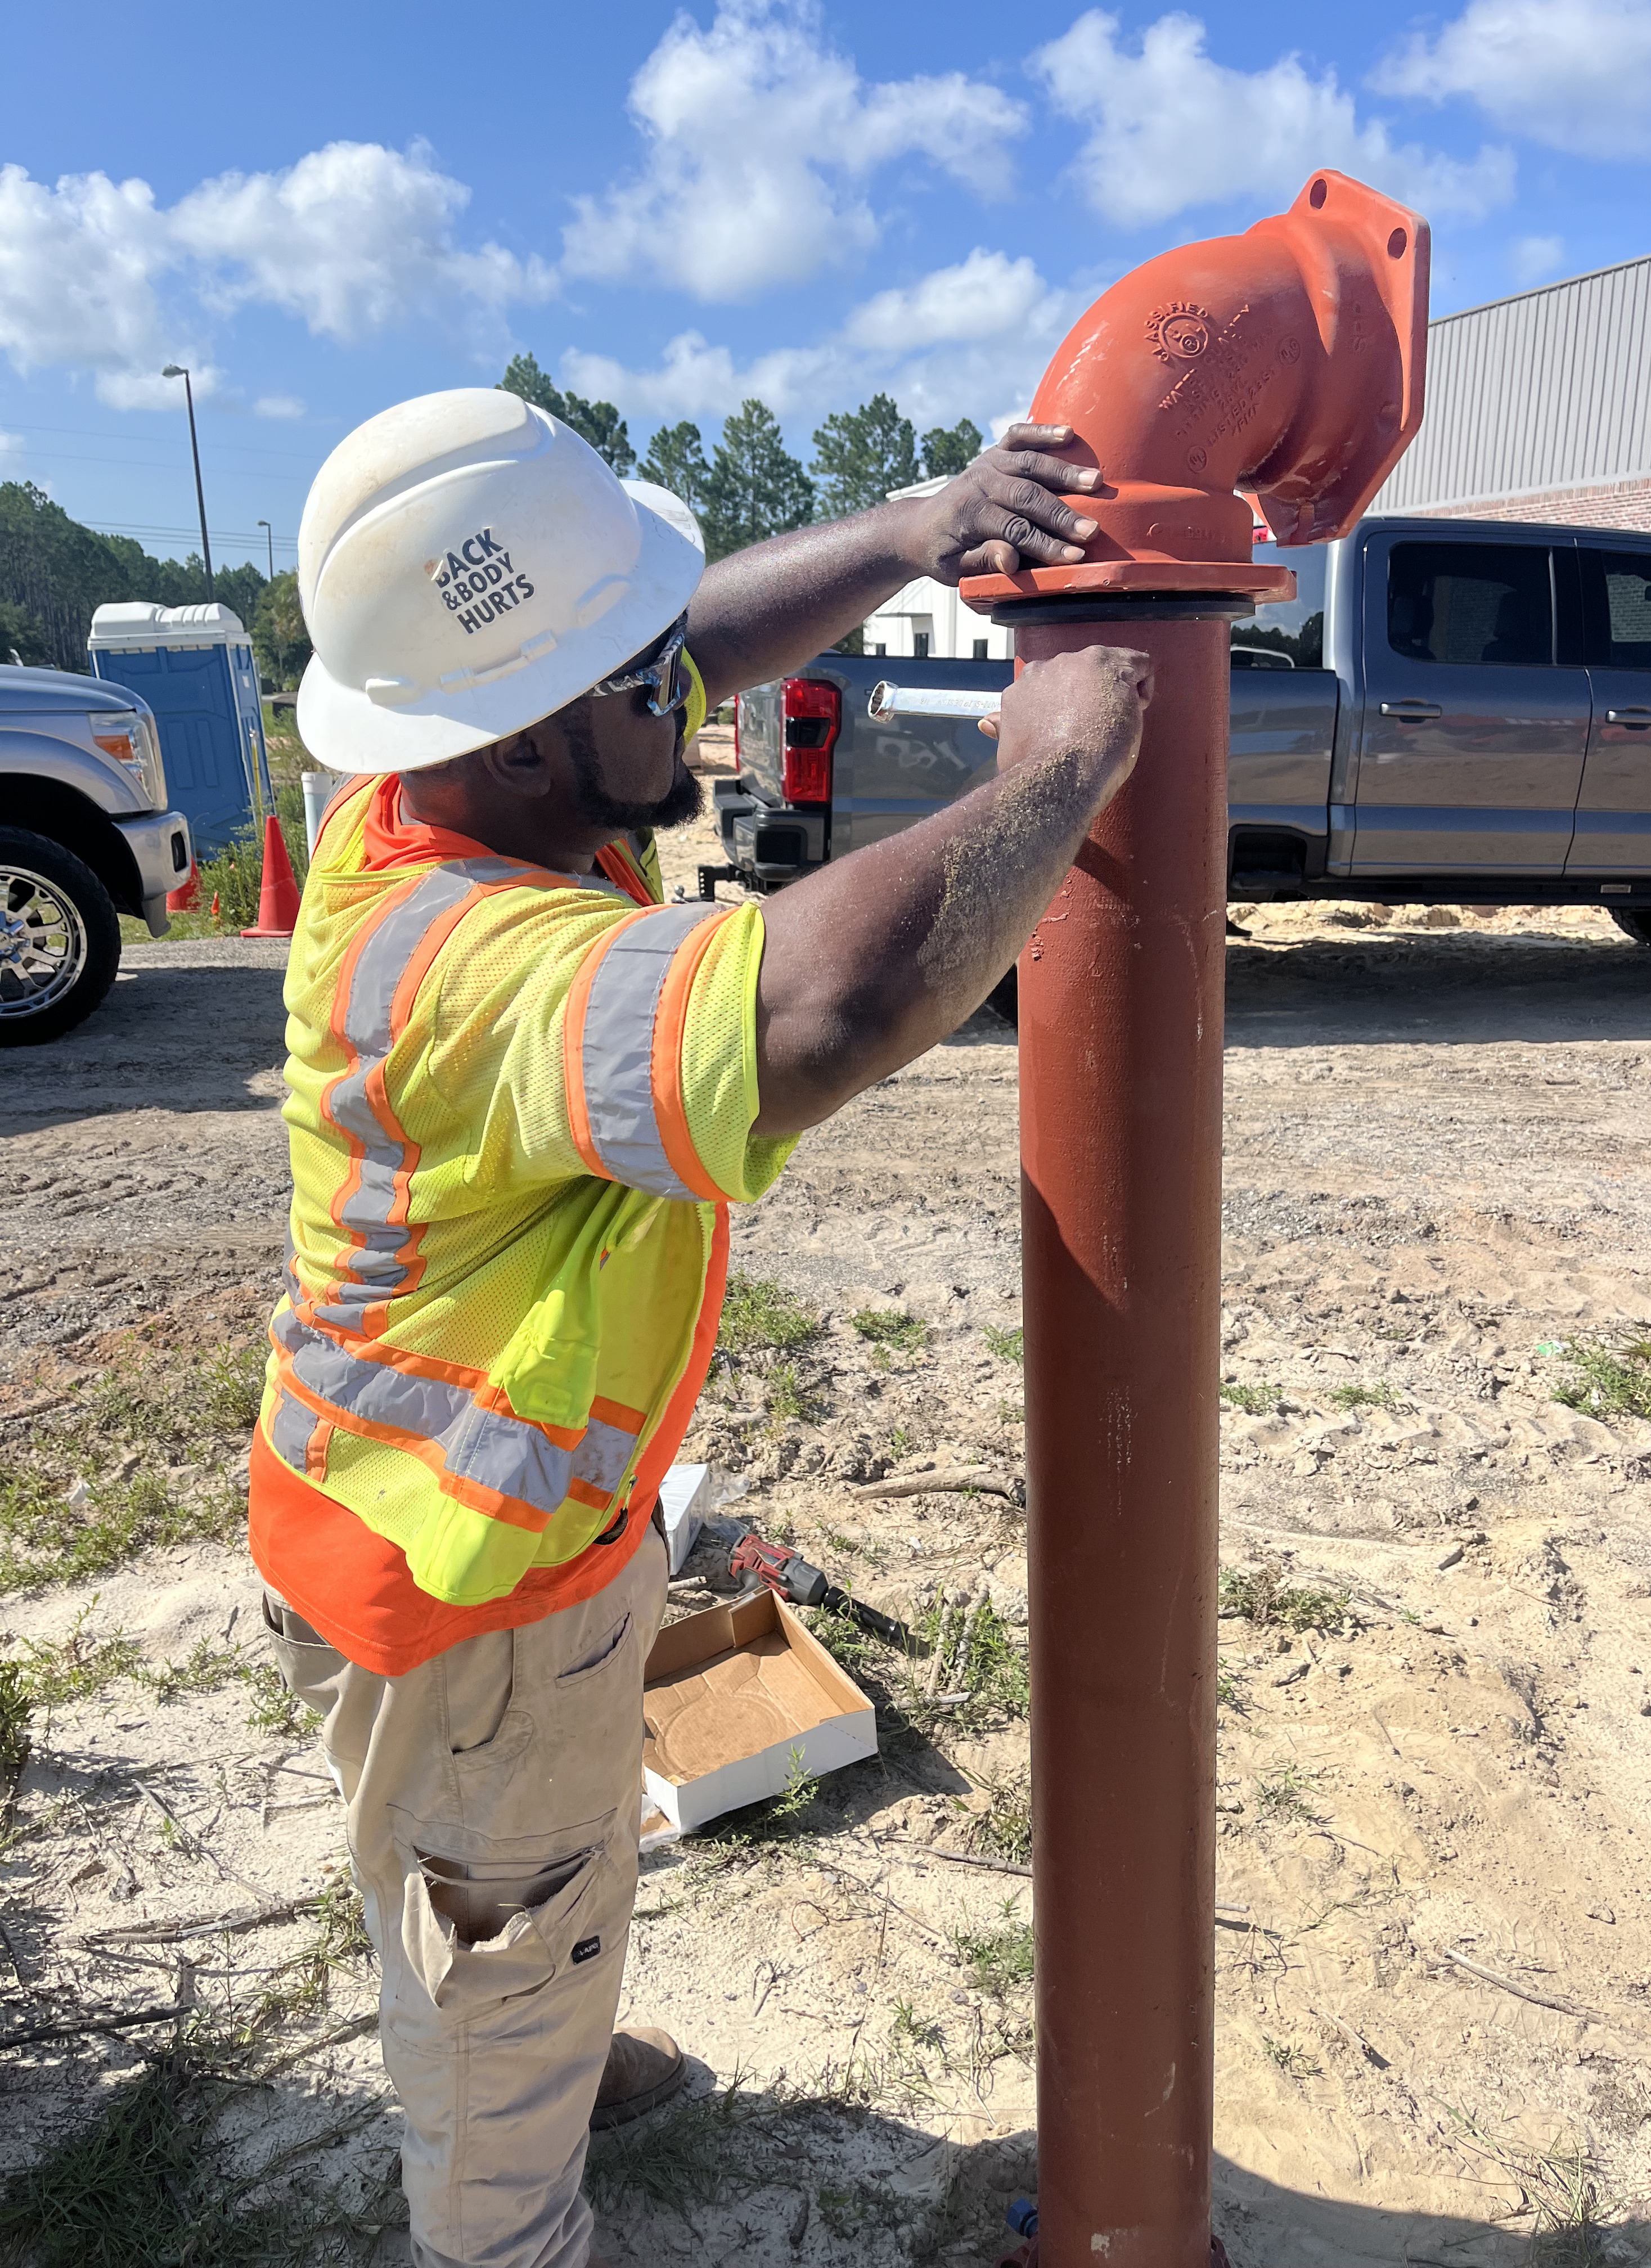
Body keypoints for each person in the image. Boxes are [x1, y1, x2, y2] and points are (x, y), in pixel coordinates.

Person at [253, 385, 1151, 2268]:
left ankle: (541, 2023)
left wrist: (918, 525)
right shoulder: (480, 970)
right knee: (491, 1919)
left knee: (501, 1874)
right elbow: (824, 1009)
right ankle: (514, 2160)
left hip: (418, 1538)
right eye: (642, 676)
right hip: (470, 1605)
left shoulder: (445, 787)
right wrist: (1056, 776)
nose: (696, 688)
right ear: (521, 729)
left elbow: (676, 641)